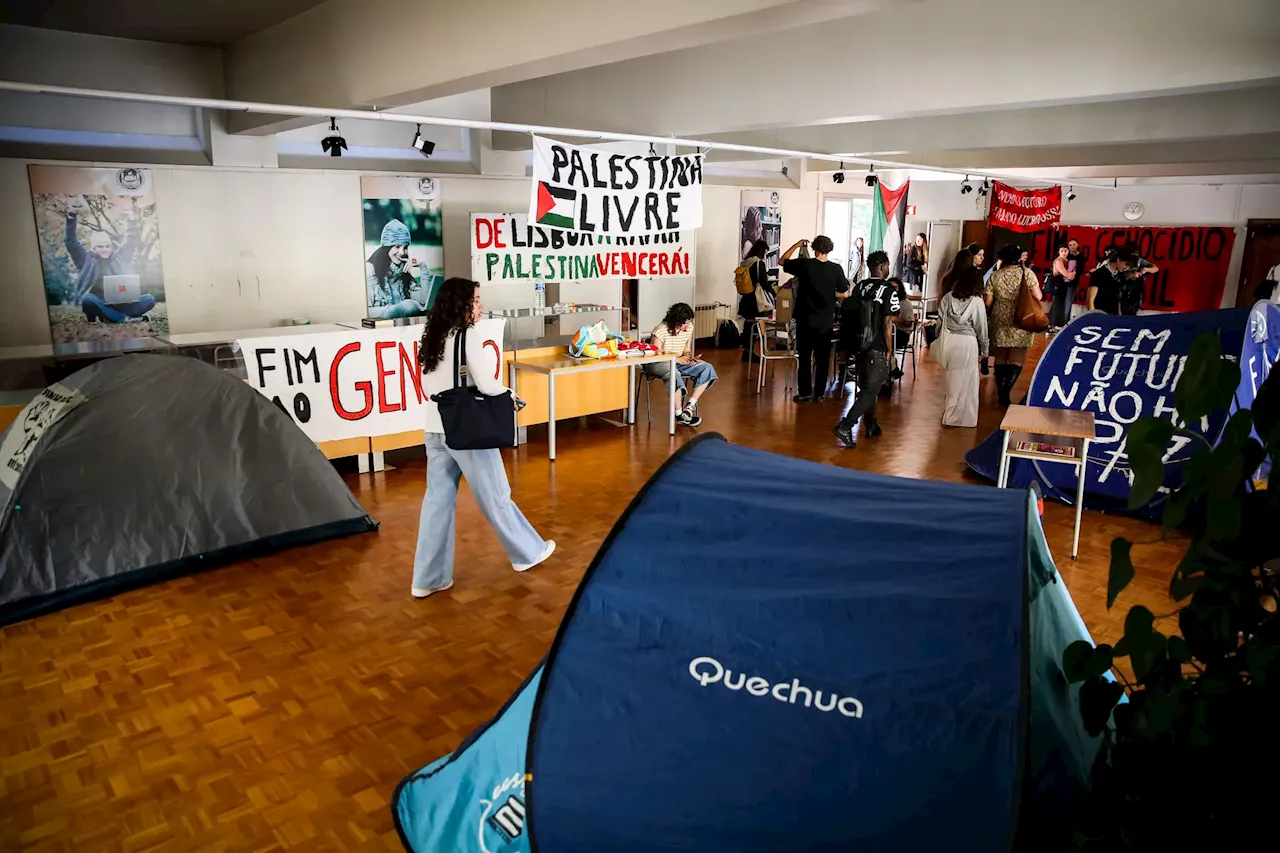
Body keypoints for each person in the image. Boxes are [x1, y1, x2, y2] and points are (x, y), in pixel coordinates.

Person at [413, 278, 555, 598]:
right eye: (476, 300)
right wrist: (511, 394)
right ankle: (527, 553)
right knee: (497, 495)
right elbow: (488, 384)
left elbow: (428, 387)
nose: (480, 306)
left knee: (437, 504)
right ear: (462, 304)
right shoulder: (468, 336)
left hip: (435, 428)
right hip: (467, 430)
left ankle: (428, 579)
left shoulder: (432, 336)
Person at [832, 251, 902, 449]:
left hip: (858, 343)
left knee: (866, 387)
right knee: (873, 389)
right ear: (882, 267)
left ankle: (871, 425)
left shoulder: (860, 286)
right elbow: (888, 321)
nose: (888, 270)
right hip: (876, 344)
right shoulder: (888, 290)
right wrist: (889, 349)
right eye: (887, 266)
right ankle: (846, 425)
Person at [63, 196, 155, 323]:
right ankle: (122, 318)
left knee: (149, 299)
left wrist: (130, 218)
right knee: (87, 300)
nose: (105, 249)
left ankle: (109, 316)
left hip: (121, 302)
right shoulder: (85, 259)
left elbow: (132, 239)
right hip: (98, 301)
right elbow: (70, 241)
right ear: (93, 247)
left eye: (107, 246)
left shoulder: (119, 257)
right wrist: (72, 215)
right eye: (100, 246)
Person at [781, 235, 850, 402]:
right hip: (825, 321)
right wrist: (829, 293)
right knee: (823, 359)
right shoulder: (836, 269)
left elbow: (783, 261)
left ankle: (804, 393)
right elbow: (845, 293)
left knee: (804, 358)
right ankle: (819, 393)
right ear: (829, 250)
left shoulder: (805, 265)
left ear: (815, 249)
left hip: (805, 319)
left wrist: (797, 244)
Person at [985, 243, 1043, 407]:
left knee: (1001, 358)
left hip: (1000, 320)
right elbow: (1038, 295)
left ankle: (1000, 392)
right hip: (1021, 320)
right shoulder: (1028, 274)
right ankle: (1005, 392)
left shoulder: (995, 276)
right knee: (1017, 358)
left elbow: (988, 302)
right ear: (1018, 258)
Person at [644, 303, 717, 427]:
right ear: (676, 322)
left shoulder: (688, 328)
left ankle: (689, 407)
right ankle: (678, 414)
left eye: (689, 322)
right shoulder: (661, 330)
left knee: (706, 368)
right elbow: (656, 355)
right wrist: (678, 360)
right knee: (674, 372)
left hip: (677, 361)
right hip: (658, 363)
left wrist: (689, 357)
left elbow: (686, 349)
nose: (688, 325)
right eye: (685, 323)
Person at [936, 264, 988, 427]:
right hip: (968, 343)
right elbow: (982, 328)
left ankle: (950, 415)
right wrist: (985, 348)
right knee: (969, 382)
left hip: (950, 341)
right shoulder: (977, 302)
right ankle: (966, 418)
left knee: (952, 380)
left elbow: (939, 323)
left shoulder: (948, 298)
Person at [367, 219, 429, 320]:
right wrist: (396, 310)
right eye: (397, 246)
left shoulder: (403, 272)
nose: (402, 252)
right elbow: (367, 311)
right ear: (387, 247)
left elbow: (424, 303)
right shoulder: (370, 270)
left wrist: (423, 267)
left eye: (405, 247)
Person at [737, 238, 775, 362]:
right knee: (757, 326)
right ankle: (752, 353)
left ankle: (746, 352)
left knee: (748, 326)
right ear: (762, 251)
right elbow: (763, 281)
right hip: (756, 300)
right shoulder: (758, 263)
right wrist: (774, 293)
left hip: (746, 297)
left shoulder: (745, 262)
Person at [1049, 245, 1078, 330]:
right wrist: (1071, 274)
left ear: (1068, 251)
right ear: (1059, 252)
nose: (1064, 253)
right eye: (1062, 251)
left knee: (1062, 304)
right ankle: (1054, 324)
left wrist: (1071, 275)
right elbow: (1066, 274)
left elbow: (1071, 274)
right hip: (1058, 284)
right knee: (1058, 304)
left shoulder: (1068, 261)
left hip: (1064, 284)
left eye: (1065, 251)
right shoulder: (1058, 261)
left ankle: (1058, 324)